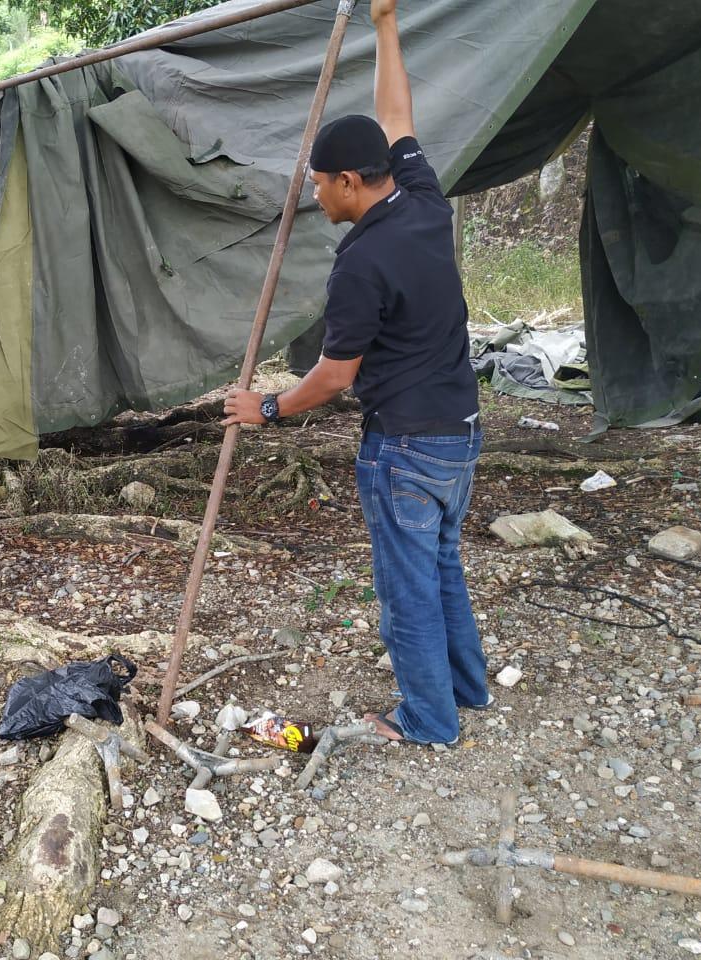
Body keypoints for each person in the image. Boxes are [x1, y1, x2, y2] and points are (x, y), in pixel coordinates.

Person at [222, 0, 486, 745]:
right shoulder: (423, 200)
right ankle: (466, 688)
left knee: (407, 589)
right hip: (460, 433)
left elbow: (337, 376)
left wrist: (268, 408)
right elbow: (397, 116)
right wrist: (386, 23)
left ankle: (428, 719)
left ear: (347, 181)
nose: (313, 195)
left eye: (317, 184)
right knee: (442, 563)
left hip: (405, 446)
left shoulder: (361, 262)